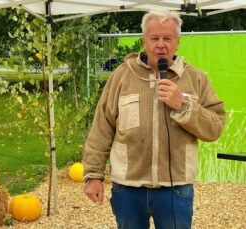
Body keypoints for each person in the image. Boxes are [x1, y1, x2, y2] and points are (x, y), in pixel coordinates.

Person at [83, 10, 226, 229]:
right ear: (144, 41)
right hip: (128, 189)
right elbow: (102, 128)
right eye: (154, 38)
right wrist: (94, 175)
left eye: (167, 38)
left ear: (177, 42)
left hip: (176, 189)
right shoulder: (122, 76)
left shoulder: (196, 78)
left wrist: (183, 105)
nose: (161, 44)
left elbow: (215, 127)